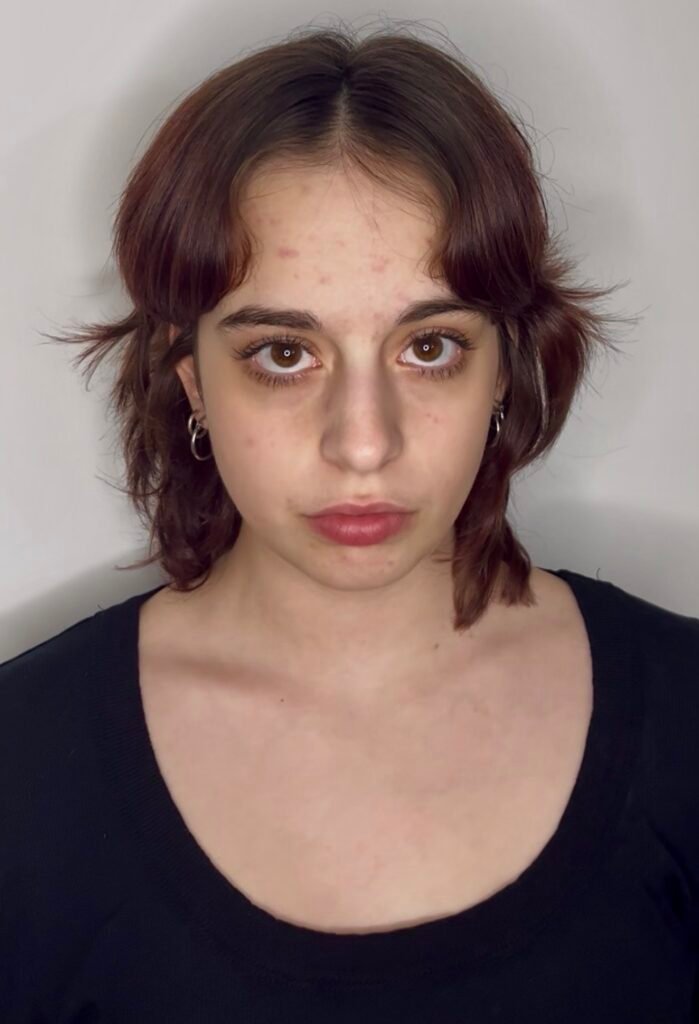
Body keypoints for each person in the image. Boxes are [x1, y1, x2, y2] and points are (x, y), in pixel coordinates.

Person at [2, 20, 698, 1022]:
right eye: (284, 354)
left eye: (430, 347)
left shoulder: (683, 719)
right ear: (194, 382)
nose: (363, 444)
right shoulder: (22, 770)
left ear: (505, 369)